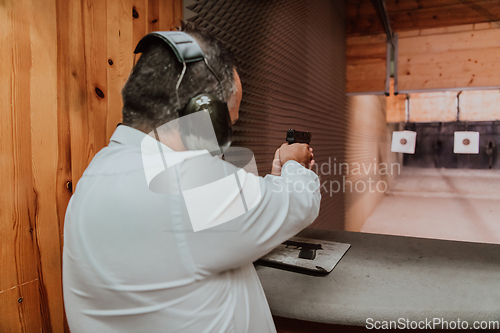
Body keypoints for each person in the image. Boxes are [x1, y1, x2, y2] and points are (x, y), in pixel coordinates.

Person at [62, 24, 320, 333]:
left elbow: (220, 229)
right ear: (204, 113)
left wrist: (276, 175)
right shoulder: (185, 185)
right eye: (228, 122)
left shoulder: (99, 172)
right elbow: (298, 202)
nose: (227, 136)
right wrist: (295, 165)